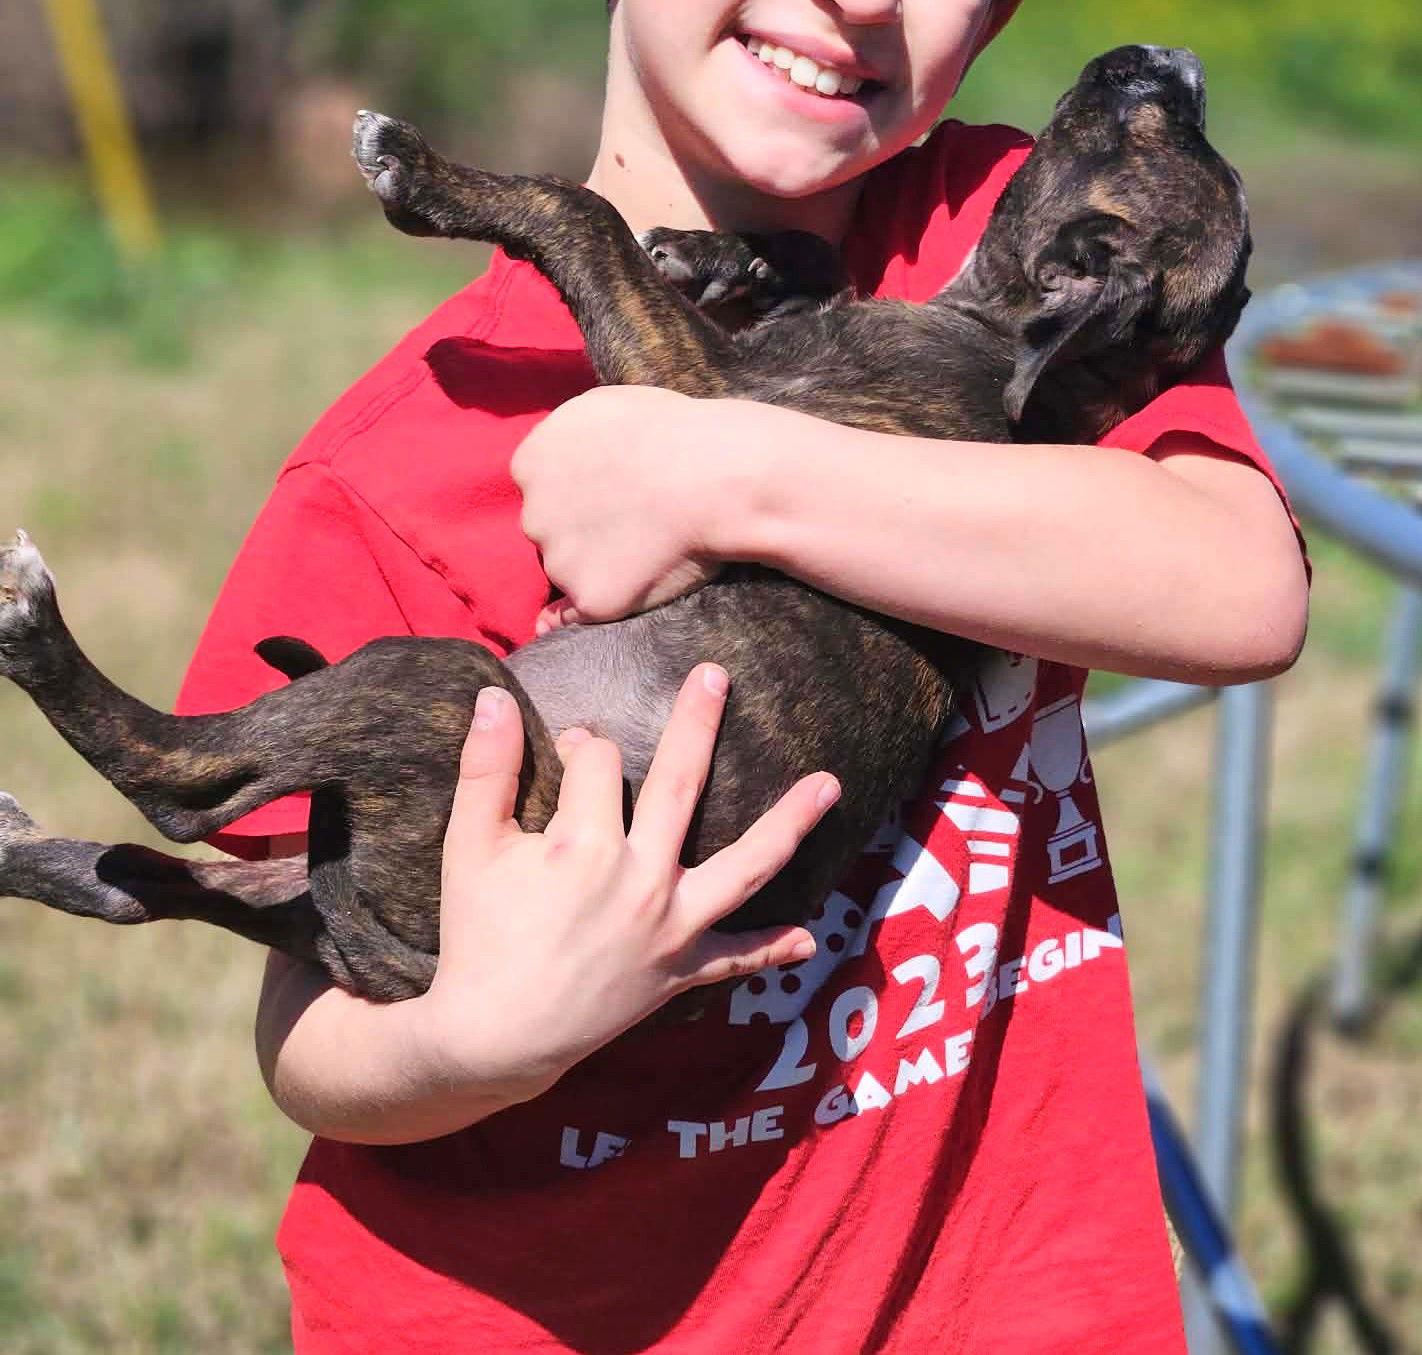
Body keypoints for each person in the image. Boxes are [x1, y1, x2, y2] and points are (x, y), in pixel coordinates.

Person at [176, 1, 1310, 1349]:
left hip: (992, 1296)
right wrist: (470, 1042)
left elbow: (1234, 588)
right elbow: (307, 1027)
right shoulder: (398, 463)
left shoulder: (1006, 240)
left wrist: (725, 474)